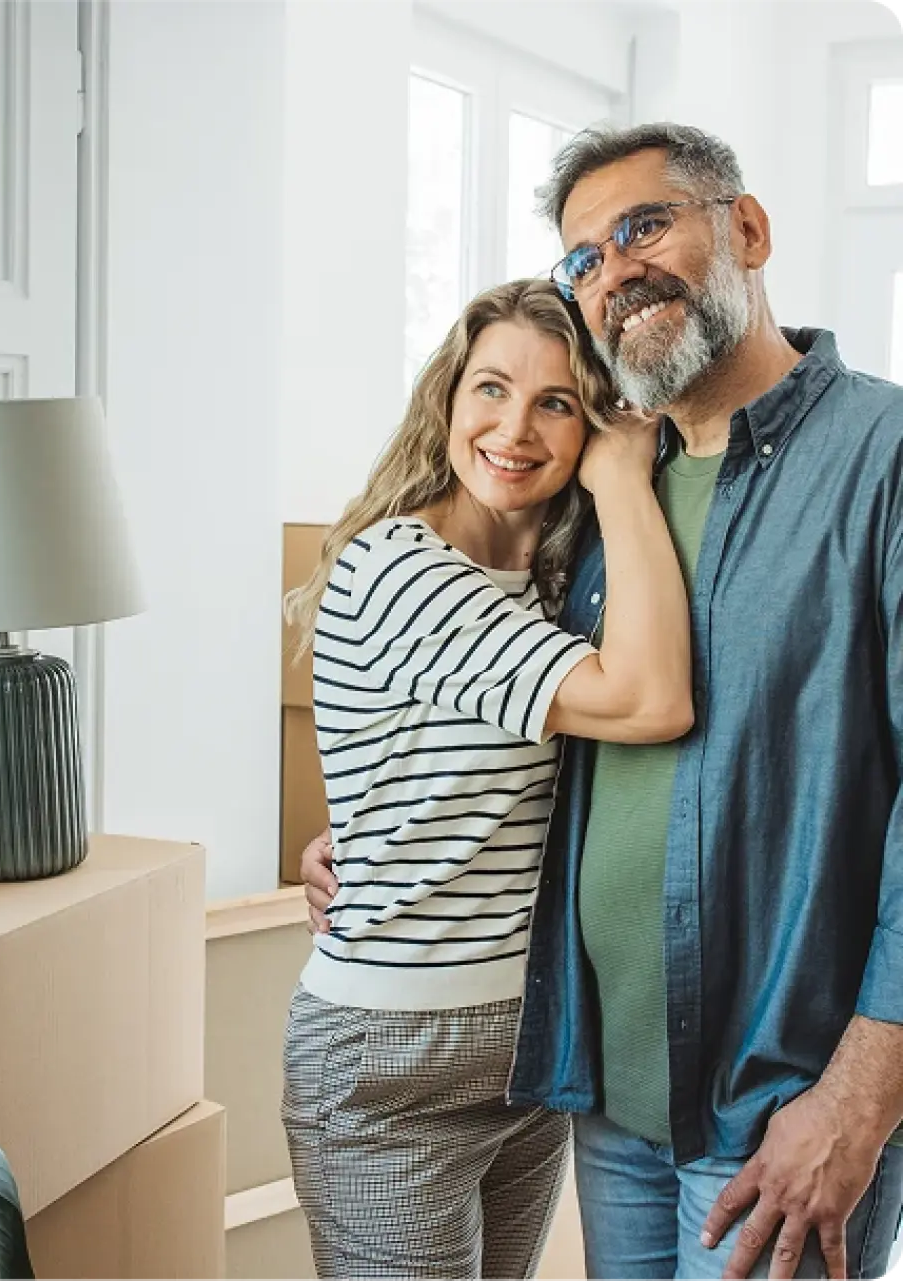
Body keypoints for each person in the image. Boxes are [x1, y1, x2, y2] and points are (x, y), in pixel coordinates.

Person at [302, 123, 903, 1281]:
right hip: (599, 1100)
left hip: (780, 1112)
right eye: (584, 257)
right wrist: (380, 833)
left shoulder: (881, 456)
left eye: (644, 227)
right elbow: (541, 727)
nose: (613, 270)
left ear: (746, 228)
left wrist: (860, 1100)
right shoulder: (592, 500)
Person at [282, 278, 693, 1281]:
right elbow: (651, 702)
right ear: (448, 399)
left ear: (590, 418)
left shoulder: (561, 577)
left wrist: (350, 837)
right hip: (393, 1058)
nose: (515, 427)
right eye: (491, 389)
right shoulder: (399, 567)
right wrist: (626, 482)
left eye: (555, 401)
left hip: (534, 1037)